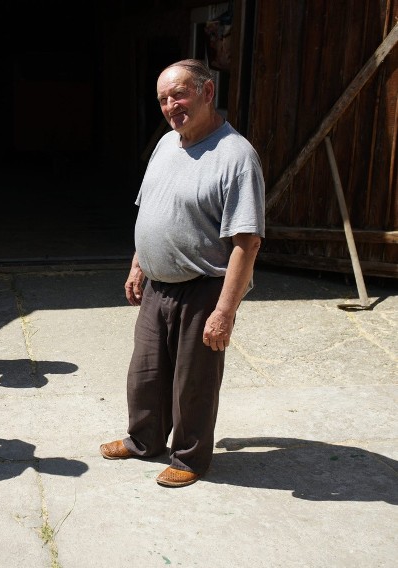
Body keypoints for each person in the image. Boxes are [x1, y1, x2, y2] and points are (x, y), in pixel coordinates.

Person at [99, 59, 265, 488]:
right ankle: (144, 441)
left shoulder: (236, 156)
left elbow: (247, 242)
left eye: (179, 94)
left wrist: (225, 310)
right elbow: (153, 210)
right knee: (146, 374)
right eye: (163, 99)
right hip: (158, 285)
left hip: (204, 287)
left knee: (194, 383)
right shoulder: (166, 144)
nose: (171, 105)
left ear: (207, 93)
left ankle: (190, 457)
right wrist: (139, 263)